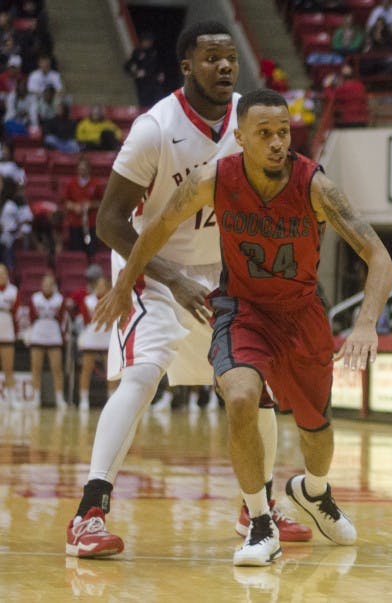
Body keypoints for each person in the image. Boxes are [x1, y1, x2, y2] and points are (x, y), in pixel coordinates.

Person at [93, 88, 392, 566]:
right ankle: (259, 521)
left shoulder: (315, 185)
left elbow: (379, 256)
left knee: (316, 430)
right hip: (242, 309)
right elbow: (159, 227)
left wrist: (365, 324)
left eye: (284, 132)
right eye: (265, 134)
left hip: (300, 314)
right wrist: (124, 281)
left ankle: (313, 492)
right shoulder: (214, 179)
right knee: (239, 397)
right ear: (240, 139)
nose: (277, 143)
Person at [65, 22, 310, 561]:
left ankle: (257, 506)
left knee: (254, 384)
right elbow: (109, 222)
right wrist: (168, 277)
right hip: (150, 266)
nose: (225, 67)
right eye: (212, 58)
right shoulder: (155, 128)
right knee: (143, 374)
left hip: (221, 271)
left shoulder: (253, 123)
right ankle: (89, 512)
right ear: (186, 67)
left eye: (230, 59)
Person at [28, 272, 66, 408]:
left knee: (57, 369)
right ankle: (35, 398)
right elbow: (31, 317)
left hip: (54, 333)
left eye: (50, 284)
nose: (47, 286)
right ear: (41, 285)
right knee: (36, 368)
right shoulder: (35, 298)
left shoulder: (60, 299)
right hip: (38, 332)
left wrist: (63, 335)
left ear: (54, 286)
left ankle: (59, 398)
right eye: (45, 284)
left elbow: (63, 319)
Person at [74, 269, 111, 410]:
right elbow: (84, 319)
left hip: (107, 334)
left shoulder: (112, 300)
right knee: (86, 368)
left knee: (111, 370)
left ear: (107, 287)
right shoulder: (87, 300)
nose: (101, 288)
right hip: (92, 334)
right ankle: (84, 399)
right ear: (95, 286)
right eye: (98, 285)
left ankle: (111, 397)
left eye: (103, 285)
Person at [61, 157, 102, 256]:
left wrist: (90, 205)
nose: (82, 170)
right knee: (76, 252)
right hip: (75, 223)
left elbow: (102, 202)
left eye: (84, 168)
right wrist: (74, 207)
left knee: (91, 251)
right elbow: (65, 202)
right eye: (80, 168)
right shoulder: (71, 184)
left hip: (91, 224)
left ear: (89, 169)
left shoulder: (96, 184)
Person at [124, 32, 167, 107]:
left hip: (154, 80)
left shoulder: (154, 52)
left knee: (159, 100)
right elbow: (127, 65)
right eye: (147, 41)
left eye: (150, 41)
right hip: (143, 83)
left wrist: (161, 73)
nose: (149, 43)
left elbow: (159, 64)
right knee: (144, 102)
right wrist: (135, 73)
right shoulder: (137, 52)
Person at [0, 264, 18, 404]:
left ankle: (12, 398)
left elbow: (17, 314)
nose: (1, 275)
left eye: (3, 273)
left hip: (7, 330)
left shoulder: (14, 291)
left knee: (8, 367)